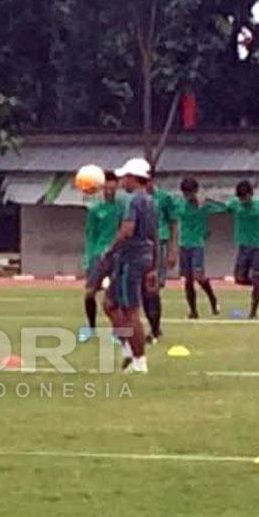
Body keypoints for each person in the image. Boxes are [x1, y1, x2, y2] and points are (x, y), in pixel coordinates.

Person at [102, 158, 158, 374]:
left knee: (131, 310)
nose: (122, 181)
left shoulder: (133, 201)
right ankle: (127, 348)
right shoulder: (152, 201)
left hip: (130, 258)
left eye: (125, 177)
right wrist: (153, 265)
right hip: (143, 256)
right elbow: (154, 235)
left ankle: (139, 361)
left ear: (134, 178)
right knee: (109, 303)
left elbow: (127, 230)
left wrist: (110, 249)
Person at [226, 181, 259, 319]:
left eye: (245, 198)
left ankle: (253, 311)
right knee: (239, 278)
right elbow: (220, 207)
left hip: (258, 246)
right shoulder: (235, 204)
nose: (243, 201)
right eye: (241, 198)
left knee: (256, 276)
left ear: (251, 194)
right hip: (243, 246)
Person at [80, 173, 122, 343]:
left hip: (117, 255)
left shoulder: (122, 208)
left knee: (113, 295)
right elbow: (90, 235)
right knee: (90, 292)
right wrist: (89, 257)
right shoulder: (95, 209)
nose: (109, 191)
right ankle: (90, 328)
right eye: (107, 187)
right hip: (98, 255)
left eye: (113, 188)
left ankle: (116, 330)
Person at [176, 178, 222, 319]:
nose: (187, 196)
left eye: (190, 193)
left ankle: (213, 299)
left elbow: (226, 207)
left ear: (195, 192)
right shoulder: (180, 204)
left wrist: (209, 200)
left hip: (197, 244)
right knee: (188, 279)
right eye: (185, 193)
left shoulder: (203, 206)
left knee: (198, 276)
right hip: (184, 243)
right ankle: (193, 311)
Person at [145, 181, 179, 343]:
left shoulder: (164, 198)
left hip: (160, 244)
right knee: (143, 290)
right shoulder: (135, 198)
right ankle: (152, 328)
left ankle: (155, 329)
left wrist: (172, 249)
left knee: (154, 287)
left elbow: (173, 222)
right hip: (141, 244)